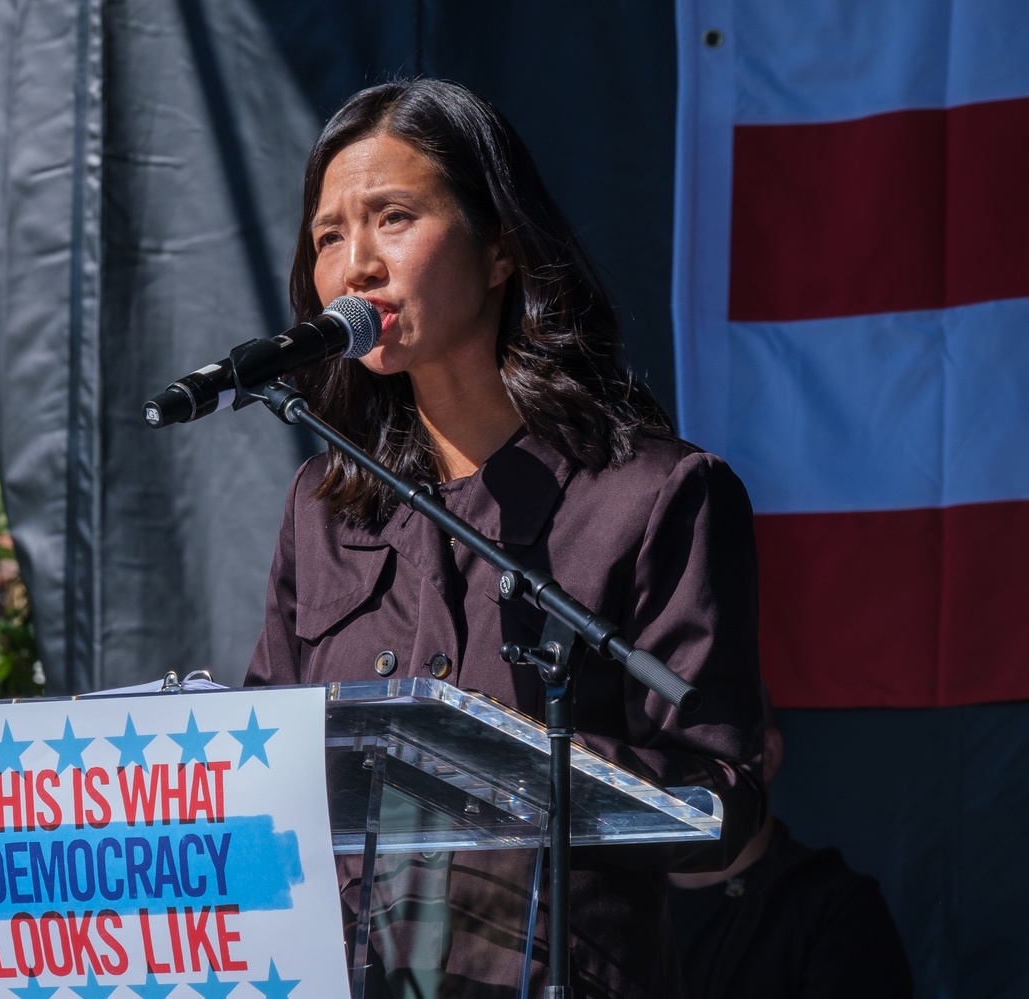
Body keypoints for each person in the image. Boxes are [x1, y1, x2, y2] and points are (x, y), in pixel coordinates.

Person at [245, 78, 766, 997]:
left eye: (392, 217)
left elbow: (717, 802)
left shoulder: (655, 495)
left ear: (499, 252)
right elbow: (264, 768)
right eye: (329, 235)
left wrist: (490, 761)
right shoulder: (327, 505)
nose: (355, 262)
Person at [668, 697, 912, 999]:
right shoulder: (614, 897)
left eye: (706, 744)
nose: (672, 769)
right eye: (650, 747)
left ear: (766, 756)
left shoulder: (834, 910)